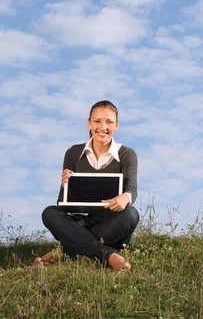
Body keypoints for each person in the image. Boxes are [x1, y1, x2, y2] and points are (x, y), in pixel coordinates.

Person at [34, 100, 139, 272]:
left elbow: (132, 190)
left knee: (131, 214)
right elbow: (62, 203)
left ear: (116, 125)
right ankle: (108, 255)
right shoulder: (73, 153)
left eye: (109, 122)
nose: (102, 127)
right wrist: (67, 186)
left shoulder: (127, 154)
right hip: (83, 220)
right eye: (97, 121)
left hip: (112, 221)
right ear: (89, 123)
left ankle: (66, 251)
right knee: (50, 213)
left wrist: (124, 197)